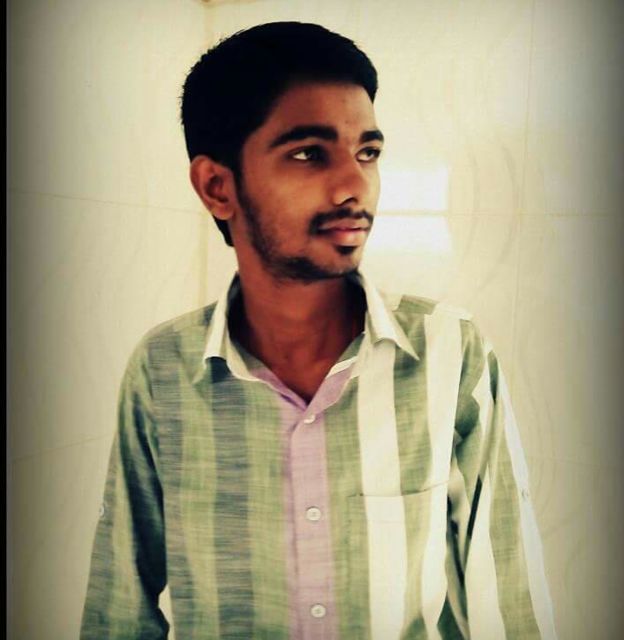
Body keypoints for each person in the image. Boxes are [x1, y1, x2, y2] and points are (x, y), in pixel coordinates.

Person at [80, 21, 557, 640]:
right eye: (309, 153)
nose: (354, 186)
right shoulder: (163, 370)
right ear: (218, 187)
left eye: (368, 153)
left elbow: (509, 600)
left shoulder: (449, 352)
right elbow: (121, 604)